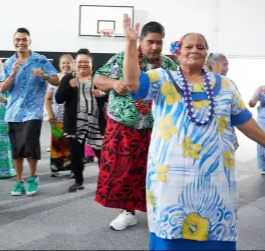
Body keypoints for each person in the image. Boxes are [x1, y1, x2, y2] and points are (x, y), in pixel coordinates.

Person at [122, 14, 265, 250]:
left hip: (215, 179)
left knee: (215, 232)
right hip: (171, 180)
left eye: (201, 47)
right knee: (171, 233)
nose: (194, 50)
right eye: (189, 46)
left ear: (206, 54)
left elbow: (245, 121)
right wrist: (129, 44)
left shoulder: (225, 86)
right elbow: (132, 83)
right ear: (178, 53)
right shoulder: (162, 78)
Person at [94, 21, 178, 230]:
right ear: (140, 41)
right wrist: (114, 83)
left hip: (156, 129)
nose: (155, 47)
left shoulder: (168, 66)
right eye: (150, 42)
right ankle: (127, 212)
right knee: (123, 172)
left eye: (159, 43)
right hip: (123, 126)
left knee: (157, 171)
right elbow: (97, 78)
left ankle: (158, 212)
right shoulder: (123, 58)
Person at [0, 27, 59, 196]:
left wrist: (45, 76)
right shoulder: (9, 63)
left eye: (24, 39)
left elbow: (56, 80)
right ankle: (19, 181)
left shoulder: (40, 60)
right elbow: (2, 89)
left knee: (30, 145)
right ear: (14, 42)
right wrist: (12, 74)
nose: (21, 43)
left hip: (33, 111)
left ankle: (33, 177)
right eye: (18, 40)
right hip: (13, 112)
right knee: (17, 149)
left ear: (29, 41)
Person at [55, 49, 107, 192]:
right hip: (75, 124)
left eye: (86, 62)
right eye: (80, 62)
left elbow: (108, 96)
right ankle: (78, 181)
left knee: (101, 154)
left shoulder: (98, 78)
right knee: (76, 154)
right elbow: (58, 99)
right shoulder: (68, 78)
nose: (83, 64)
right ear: (75, 64)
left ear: (91, 64)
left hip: (96, 122)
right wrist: (69, 87)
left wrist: (102, 94)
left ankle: (105, 182)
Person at [44, 54, 73, 177]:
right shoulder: (54, 79)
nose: (66, 65)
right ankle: (56, 167)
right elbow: (47, 99)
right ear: (60, 65)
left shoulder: (75, 79)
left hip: (71, 118)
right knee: (56, 142)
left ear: (73, 64)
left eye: (68, 63)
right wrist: (50, 115)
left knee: (71, 143)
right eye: (63, 63)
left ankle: (72, 168)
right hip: (57, 118)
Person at [206, 53, 241, 150]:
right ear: (214, 65)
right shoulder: (200, 83)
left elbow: (238, 110)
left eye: (227, 65)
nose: (227, 68)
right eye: (224, 65)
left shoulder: (230, 83)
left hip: (226, 136)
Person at [249, 85, 265, 175]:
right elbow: (252, 104)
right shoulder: (261, 89)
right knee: (262, 138)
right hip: (263, 117)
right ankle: (264, 166)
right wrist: (252, 102)